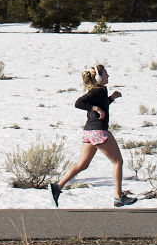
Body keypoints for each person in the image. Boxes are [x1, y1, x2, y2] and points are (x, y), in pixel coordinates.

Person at [49, 63, 136, 207]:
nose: (108, 76)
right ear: (99, 77)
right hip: (98, 132)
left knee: (82, 164)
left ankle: (57, 187)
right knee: (117, 162)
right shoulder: (95, 91)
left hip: (89, 132)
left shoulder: (101, 91)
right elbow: (78, 103)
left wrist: (111, 99)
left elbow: (101, 105)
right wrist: (95, 108)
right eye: (106, 73)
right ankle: (119, 196)